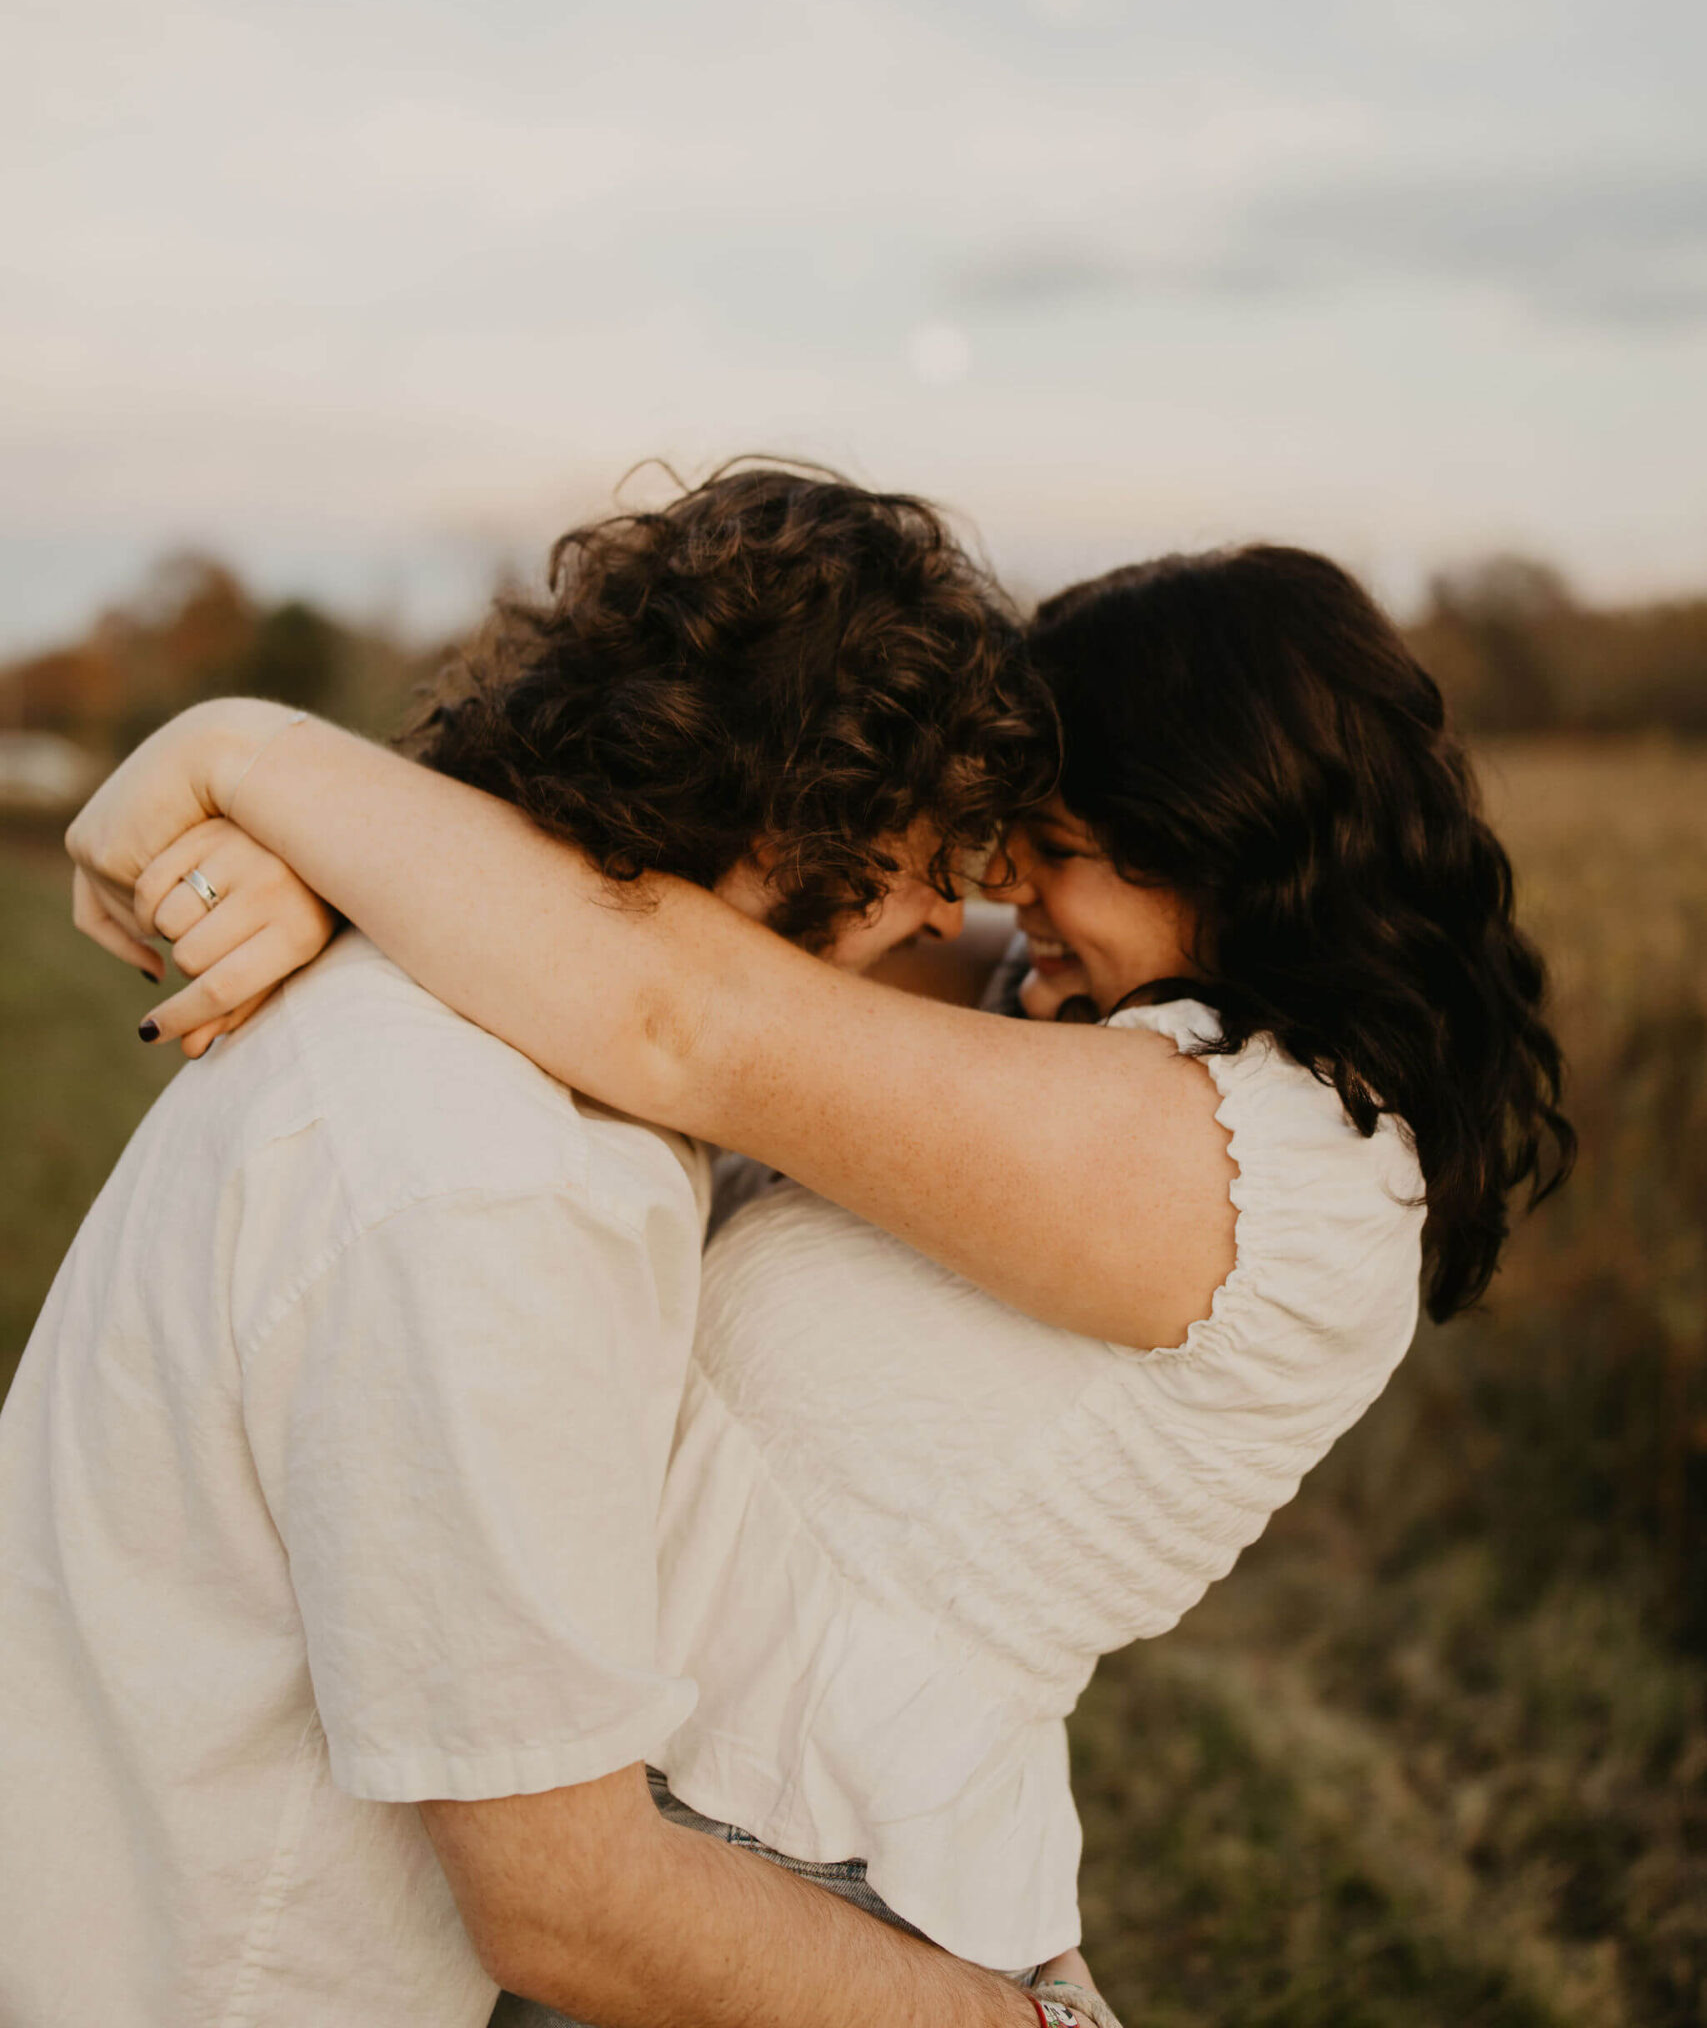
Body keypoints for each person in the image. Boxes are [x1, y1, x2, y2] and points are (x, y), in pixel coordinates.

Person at [60, 536, 1575, 2006]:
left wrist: (244, 752)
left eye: (1051, 852)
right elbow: (630, 892)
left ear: (1225, 840)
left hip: (808, 1877)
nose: (1000, 897)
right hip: (680, 1824)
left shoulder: (1251, 1167)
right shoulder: (1084, 1019)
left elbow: (675, 1006)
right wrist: (296, 857)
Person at [0, 466, 1092, 2028]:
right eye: (922, 853)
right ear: (800, 815)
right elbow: (569, 1903)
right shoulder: (486, 1181)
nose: (942, 916)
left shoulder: (455, 997)